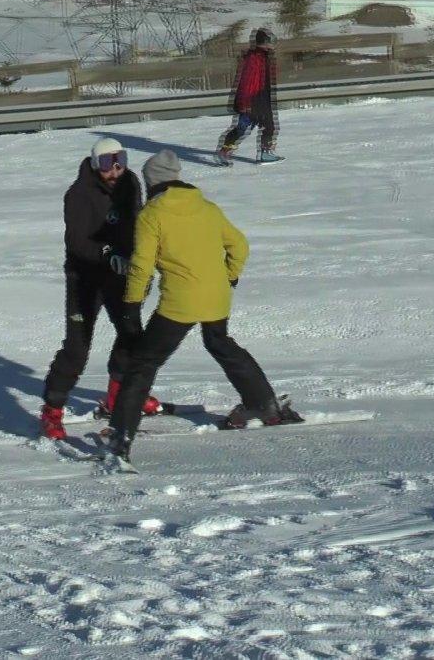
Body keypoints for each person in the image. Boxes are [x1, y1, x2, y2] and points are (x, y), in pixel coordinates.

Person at [104, 149, 301, 463]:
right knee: (220, 342)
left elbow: (141, 266)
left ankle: (120, 438)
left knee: (143, 363)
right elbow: (239, 245)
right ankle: (263, 404)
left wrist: (131, 304)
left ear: (152, 182)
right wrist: (230, 277)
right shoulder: (207, 208)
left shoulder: (152, 214)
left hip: (180, 302)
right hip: (217, 296)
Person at [38, 137, 164, 440]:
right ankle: (52, 410)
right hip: (85, 277)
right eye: (107, 164)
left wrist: (142, 262)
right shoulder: (78, 194)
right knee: (77, 348)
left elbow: (138, 224)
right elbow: (77, 242)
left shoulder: (130, 183)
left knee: (131, 335)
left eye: (120, 161)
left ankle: (117, 397)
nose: (115, 170)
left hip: (120, 274)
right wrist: (108, 254)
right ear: (96, 164)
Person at [215, 27, 282, 166]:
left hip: (262, 99)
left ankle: (265, 153)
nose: (273, 45)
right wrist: (245, 103)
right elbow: (248, 82)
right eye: (271, 42)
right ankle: (224, 151)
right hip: (252, 100)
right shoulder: (255, 58)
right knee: (243, 128)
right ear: (265, 42)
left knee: (269, 126)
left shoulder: (264, 57)